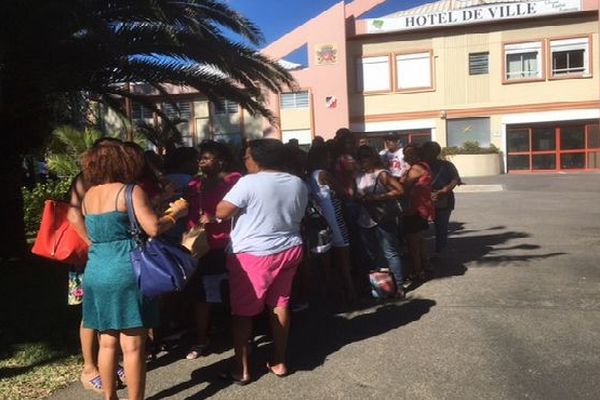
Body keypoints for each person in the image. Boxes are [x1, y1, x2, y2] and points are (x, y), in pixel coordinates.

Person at [79, 140, 188, 400]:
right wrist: (175, 214)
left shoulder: (89, 195)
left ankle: (110, 397)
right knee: (133, 345)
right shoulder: (130, 190)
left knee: (107, 342)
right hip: (126, 269)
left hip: (95, 269)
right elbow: (152, 227)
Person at [216, 139, 308, 384]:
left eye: (246, 157)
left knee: (243, 313)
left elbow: (222, 211)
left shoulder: (248, 182)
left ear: (258, 159)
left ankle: (241, 368)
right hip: (289, 248)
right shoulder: (297, 182)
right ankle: (279, 360)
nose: (245, 161)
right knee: (280, 304)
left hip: (253, 254)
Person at [185, 141, 242, 360]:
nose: (201, 161)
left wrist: (216, 217)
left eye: (207, 157)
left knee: (229, 292)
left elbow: (242, 208)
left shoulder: (234, 180)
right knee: (201, 295)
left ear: (221, 161)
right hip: (198, 246)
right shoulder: (195, 184)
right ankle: (202, 338)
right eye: (201, 157)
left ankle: (237, 335)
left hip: (226, 244)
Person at [306, 144, 356, 304]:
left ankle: (328, 291)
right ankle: (350, 291)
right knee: (344, 257)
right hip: (334, 218)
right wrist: (350, 176)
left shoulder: (309, 176)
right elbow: (345, 192)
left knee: (325, 260)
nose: (329, 160)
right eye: (327, 157)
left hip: (321, 221)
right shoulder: (323, 174)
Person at [354, 145, 406, 297]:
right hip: (364, 219)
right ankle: (381, 288)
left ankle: (399, 287)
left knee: (390, 252)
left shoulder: (382, 174)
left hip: (383, 217)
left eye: (366, 156)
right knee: (372, 255)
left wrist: (376, 198)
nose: (363, 159)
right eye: (360, 156)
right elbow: (354, 193)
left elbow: (400, 190)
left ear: (373, 157)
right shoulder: (358, 175)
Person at [400, 144, 434, 281]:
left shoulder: (416, 168)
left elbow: (404, 186)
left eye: (410, 153)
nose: (407, 156)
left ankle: (417, 271)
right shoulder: (424, 166)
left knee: (413, 243)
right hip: (421, 208)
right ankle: (425, 266)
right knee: (420, 240)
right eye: (406, 154)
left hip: (413, 209)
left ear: (417, 154)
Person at [422, 141, 461, 258]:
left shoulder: (447, 165)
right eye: (426, 150)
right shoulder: (420, 166)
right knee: (421, 229)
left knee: (441, 227)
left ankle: (440, 251)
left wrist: (444, 190)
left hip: (444, 199)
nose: (428, 153)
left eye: (430, 151)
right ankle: (421, 253)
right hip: (423, 201)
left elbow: (455, 180)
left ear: (436, 152)